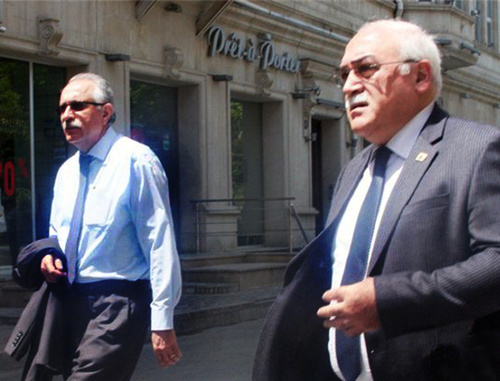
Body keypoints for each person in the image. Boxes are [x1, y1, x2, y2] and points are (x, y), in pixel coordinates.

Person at [253, 19, 500, 381]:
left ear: (420, 77)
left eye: (365, 68)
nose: (350, 85)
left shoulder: (477, 149)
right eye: (344, 74)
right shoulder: (353, 171)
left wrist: (387, 300)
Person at [41, 72, 182, 380]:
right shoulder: (66, 172)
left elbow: (158, 241)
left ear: (105, 112)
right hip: (69, 301)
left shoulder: (136, 161)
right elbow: (56, 233)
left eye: (78, 106)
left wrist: (162, 319)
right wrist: (50, 256)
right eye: (62, 108)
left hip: (118, 303)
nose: (67, 115)